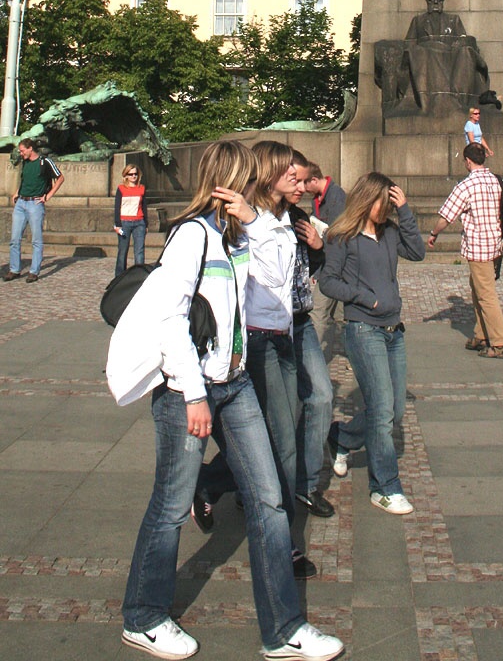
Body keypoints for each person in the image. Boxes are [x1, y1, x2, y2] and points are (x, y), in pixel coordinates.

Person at [115, 140, 343, 661]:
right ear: (226, 182)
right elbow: (170, 319)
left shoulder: (239, 236)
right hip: (188, 389)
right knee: (170, 507)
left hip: (235, 382)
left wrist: (257, 223)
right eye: (246, 180)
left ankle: (284, 630)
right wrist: (194, 394)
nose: (254, 190)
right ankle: (143, 616)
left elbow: (278, 276)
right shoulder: (191, 236)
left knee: (268, 501)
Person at [194, 141, 317, 579]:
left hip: (281, 336)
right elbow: (275, 274)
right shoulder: (251, 220)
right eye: (290, 174)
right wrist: (253, 221)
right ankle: (282, 545)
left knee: (285, 428)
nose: (298, 182)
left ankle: (216, 484)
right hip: (259, 342)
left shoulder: (280, 217)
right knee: (279, 445)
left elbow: (294, 274)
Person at [320, 173, 425, 515]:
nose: (389, 207)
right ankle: (385, 487)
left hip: (394, 330)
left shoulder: (390, 232)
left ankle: (342, 438)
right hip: (363, 329)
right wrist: (365, 298)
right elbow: (328, 283)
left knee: (393, 411)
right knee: (381, 411)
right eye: (386, 201)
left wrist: (406, 210)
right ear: (368, 200)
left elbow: (418, 251)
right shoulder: (342, 236)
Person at [427, 143, 503, 360]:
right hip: (496, 244)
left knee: (486, 295)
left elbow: (447, 216)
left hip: (479, 246)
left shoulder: (466, 186)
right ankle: (481, 335)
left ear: (467, 161)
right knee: (478, 289)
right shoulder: (498, 181)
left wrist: (433, 233)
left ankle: (500, 342)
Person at [288, 150, 335, 519]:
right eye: (297, 181)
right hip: (265, 330)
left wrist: (318, 250)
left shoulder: (300, 218)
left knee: (320, 397)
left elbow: (312, 266)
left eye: (306, 181)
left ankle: (304, 485)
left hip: (299, 321)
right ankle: (232, 481)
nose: (304, 188)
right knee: (276, 414)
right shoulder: (249, 220)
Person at [5, 138, 64, 283]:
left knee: (36, 240)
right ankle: (14, 269)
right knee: (14, 239)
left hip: (35, 204)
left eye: (22, 150)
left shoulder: (45, 162)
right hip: (21, 202)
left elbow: (60, 178)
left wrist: (48, 196)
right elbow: (24, 179)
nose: (21, 153)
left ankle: (34, 271)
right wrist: (17, 192)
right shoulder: (24, 162)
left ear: (30, 148)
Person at [304, 163, 346, 329]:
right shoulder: (317, 198)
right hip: (327, 263)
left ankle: (316, 353)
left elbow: (337, 234)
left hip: (334, 265)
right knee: (339, 315)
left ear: (314, 180)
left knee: (318, 312)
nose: (302, 188)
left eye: (304, 183)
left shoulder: (337, 196)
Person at [113, 164, 148, 276]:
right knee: (122, 251)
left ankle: (139, 276)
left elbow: (144, 207)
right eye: (131, 174)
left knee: (139, 252)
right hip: (124, 223)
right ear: (126, 175)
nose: (133, 176)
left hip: (139, 223)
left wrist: (146, 224)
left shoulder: (141, 188)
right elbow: (117, 207)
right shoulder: (121, 188)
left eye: (135, 174)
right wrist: (118, 224)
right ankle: (119, 276)